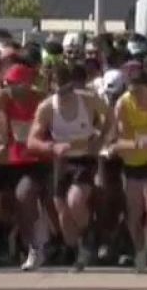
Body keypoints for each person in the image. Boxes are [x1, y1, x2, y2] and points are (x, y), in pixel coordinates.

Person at [28, 63, 107, 271]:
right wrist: (52, 147)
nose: (64, 95)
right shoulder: (47, 108)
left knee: (75, 200)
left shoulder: (88, 100)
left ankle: (89, 237)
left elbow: (111, 117)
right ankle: (76, 251)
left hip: (84, 158)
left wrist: (100, 139)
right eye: (58, 90)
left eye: (67, 89)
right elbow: (32, 141)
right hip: (62, 161)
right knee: (62, 211)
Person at [106, 65, 147, 272]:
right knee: (134, 211)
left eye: (139, 91)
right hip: (135, 158)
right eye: (132, 91)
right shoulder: (123, 105)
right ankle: (140, 251)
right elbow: (117, 140)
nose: (136, 96)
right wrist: (135, 144)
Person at [0, 63, 49, 270]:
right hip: (10, 158)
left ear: (27, 83)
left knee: (24, 194)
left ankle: (36, 247)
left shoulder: (41, 100)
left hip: (35, 159)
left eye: (15, 83)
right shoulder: (2, 100)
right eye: (8, 83)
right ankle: (22, 236)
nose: (10, 87)